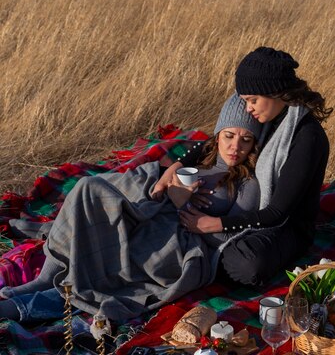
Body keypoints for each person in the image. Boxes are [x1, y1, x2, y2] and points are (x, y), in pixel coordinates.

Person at [0, 94, 261, 322]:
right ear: (218, 135)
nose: (235, 147)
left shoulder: (247, 183)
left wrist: (198, 221)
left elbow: (234, 235)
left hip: (183, 240)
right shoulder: (203, 155)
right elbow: (165, 179)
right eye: (228, 136)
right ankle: (48, 276)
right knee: (89, 190)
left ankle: (28, 305)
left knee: (126, 250)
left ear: (254, 144)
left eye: (246, 140)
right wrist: (170, 190)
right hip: (156, 209)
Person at [176, 46, 332, 286]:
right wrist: (176, 165)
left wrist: (212, 225)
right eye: (245, 101)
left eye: (252, 100)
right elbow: (214, 140)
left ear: (275, 92)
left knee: (248, 263)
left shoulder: (306, 138)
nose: (248, 108)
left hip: (285, 227)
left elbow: (277, 213)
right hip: (250, 210)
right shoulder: (271, 115)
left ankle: (201, 250)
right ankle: (199, 249)